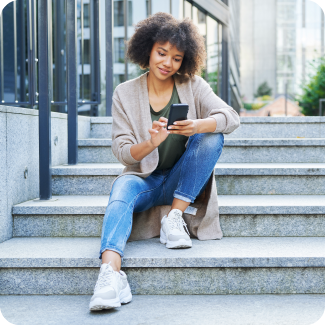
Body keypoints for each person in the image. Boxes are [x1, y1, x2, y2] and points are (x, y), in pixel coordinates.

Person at [89, 12, 240, 311]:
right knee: (120, 191)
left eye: (176, 57)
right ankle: (110, 274)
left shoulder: (193, 85)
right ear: (147, 50)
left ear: (186, 60)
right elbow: (121, 151)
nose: (167, 63)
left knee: (212, 135)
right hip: (142, 180)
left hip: (179, 181)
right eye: (162, 53)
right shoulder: (124, 93)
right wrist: (150, 143)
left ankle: (175, 218)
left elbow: (231, 118)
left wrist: (198, 125)